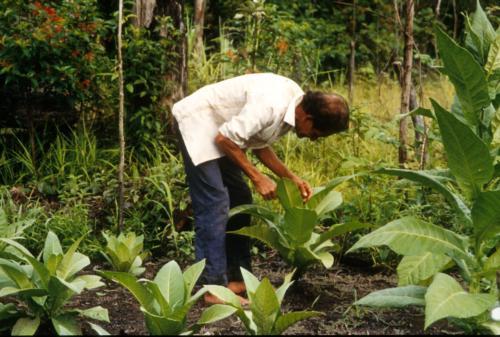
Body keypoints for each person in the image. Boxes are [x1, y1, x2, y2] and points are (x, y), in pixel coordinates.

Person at [172, 73, 349, 304]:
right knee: (214, 203)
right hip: (197, 122)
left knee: (241, 198)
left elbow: (258, 144)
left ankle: (237, 278)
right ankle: (213, 288)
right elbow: (225, 139)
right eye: (315, 133)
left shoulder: (293, 105)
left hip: (221, 131)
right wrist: (258, 177)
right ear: (307, 116)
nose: (312, 139)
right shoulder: (271, 105)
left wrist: (290, 177)